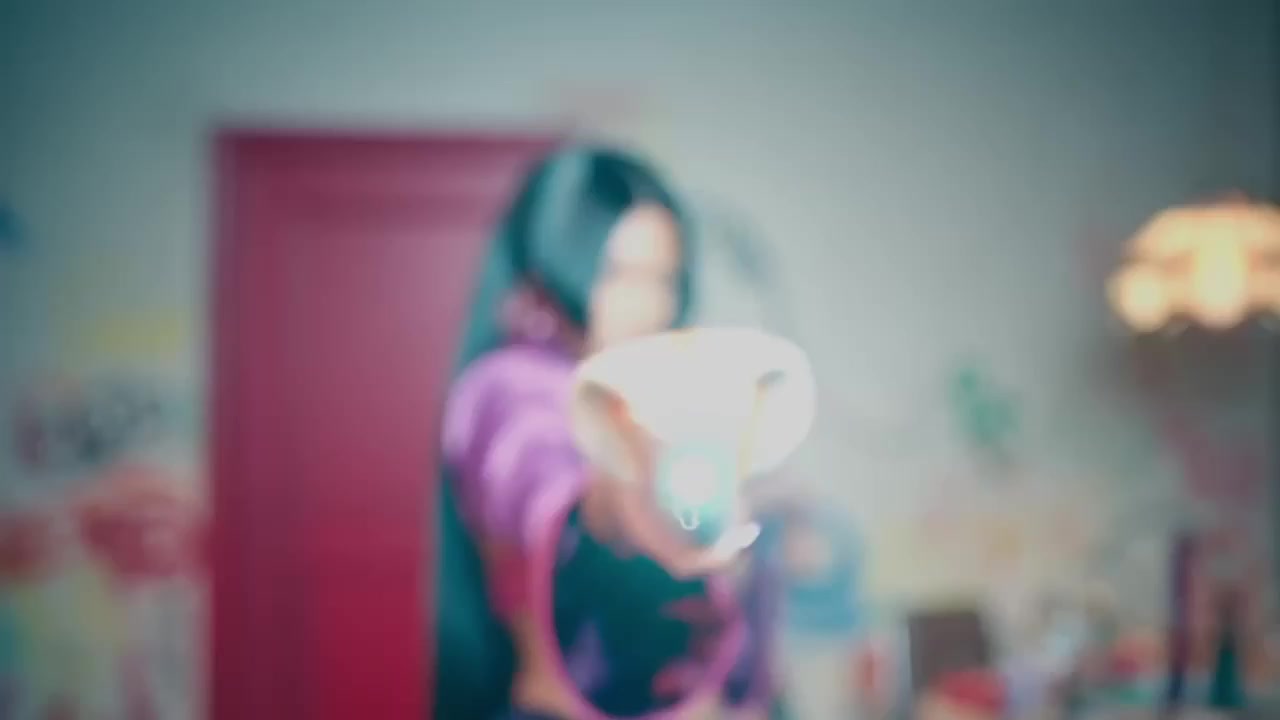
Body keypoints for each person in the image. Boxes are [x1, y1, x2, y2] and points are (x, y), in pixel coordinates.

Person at [433, 145, 779, 719]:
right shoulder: (510, 390)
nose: (649, 305)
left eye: (663, 279)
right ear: (557, 262)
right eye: (618, 274)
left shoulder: (651, 393)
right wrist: (646, 505)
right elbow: (561, 496)